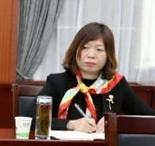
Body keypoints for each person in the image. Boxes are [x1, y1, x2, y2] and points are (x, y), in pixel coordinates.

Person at [23, 22, 155, 133]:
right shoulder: (58, 82)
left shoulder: (116, 85)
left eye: (99, 49)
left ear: (108, 55)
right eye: (85, 47)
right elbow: (30, 118)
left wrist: (116, 123)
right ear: (75, 50)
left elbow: (150, 119)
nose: (91, 55)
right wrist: (70, 124)